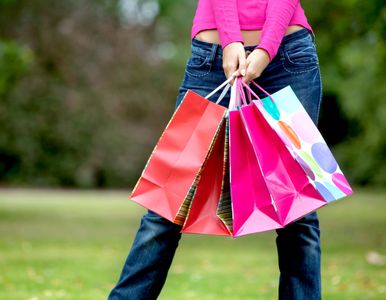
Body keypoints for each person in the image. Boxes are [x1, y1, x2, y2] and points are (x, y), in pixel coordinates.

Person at [109, 0, 322, 299]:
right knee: (168, 202)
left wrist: (266, 49)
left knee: (298, 211)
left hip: (288, 59)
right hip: (211, 59)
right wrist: (232, 40)